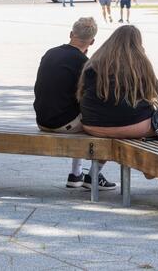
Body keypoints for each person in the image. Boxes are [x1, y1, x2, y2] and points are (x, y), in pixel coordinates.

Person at [78, 25, 158, 191]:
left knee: (114, 127)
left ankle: (93, 174)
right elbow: (155, 89)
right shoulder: (139, 61)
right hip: (130, 126)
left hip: (92, 125)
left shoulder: (95, 60)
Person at [34, 17, 116, 191]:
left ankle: (76, 174)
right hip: (62, 124)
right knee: (109, 128)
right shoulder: (84, 63)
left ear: (71, 34)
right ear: (92, 41)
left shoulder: (50, 53)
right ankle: (94, 174)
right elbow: (93, 98)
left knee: (78, 113)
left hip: (42, 120)